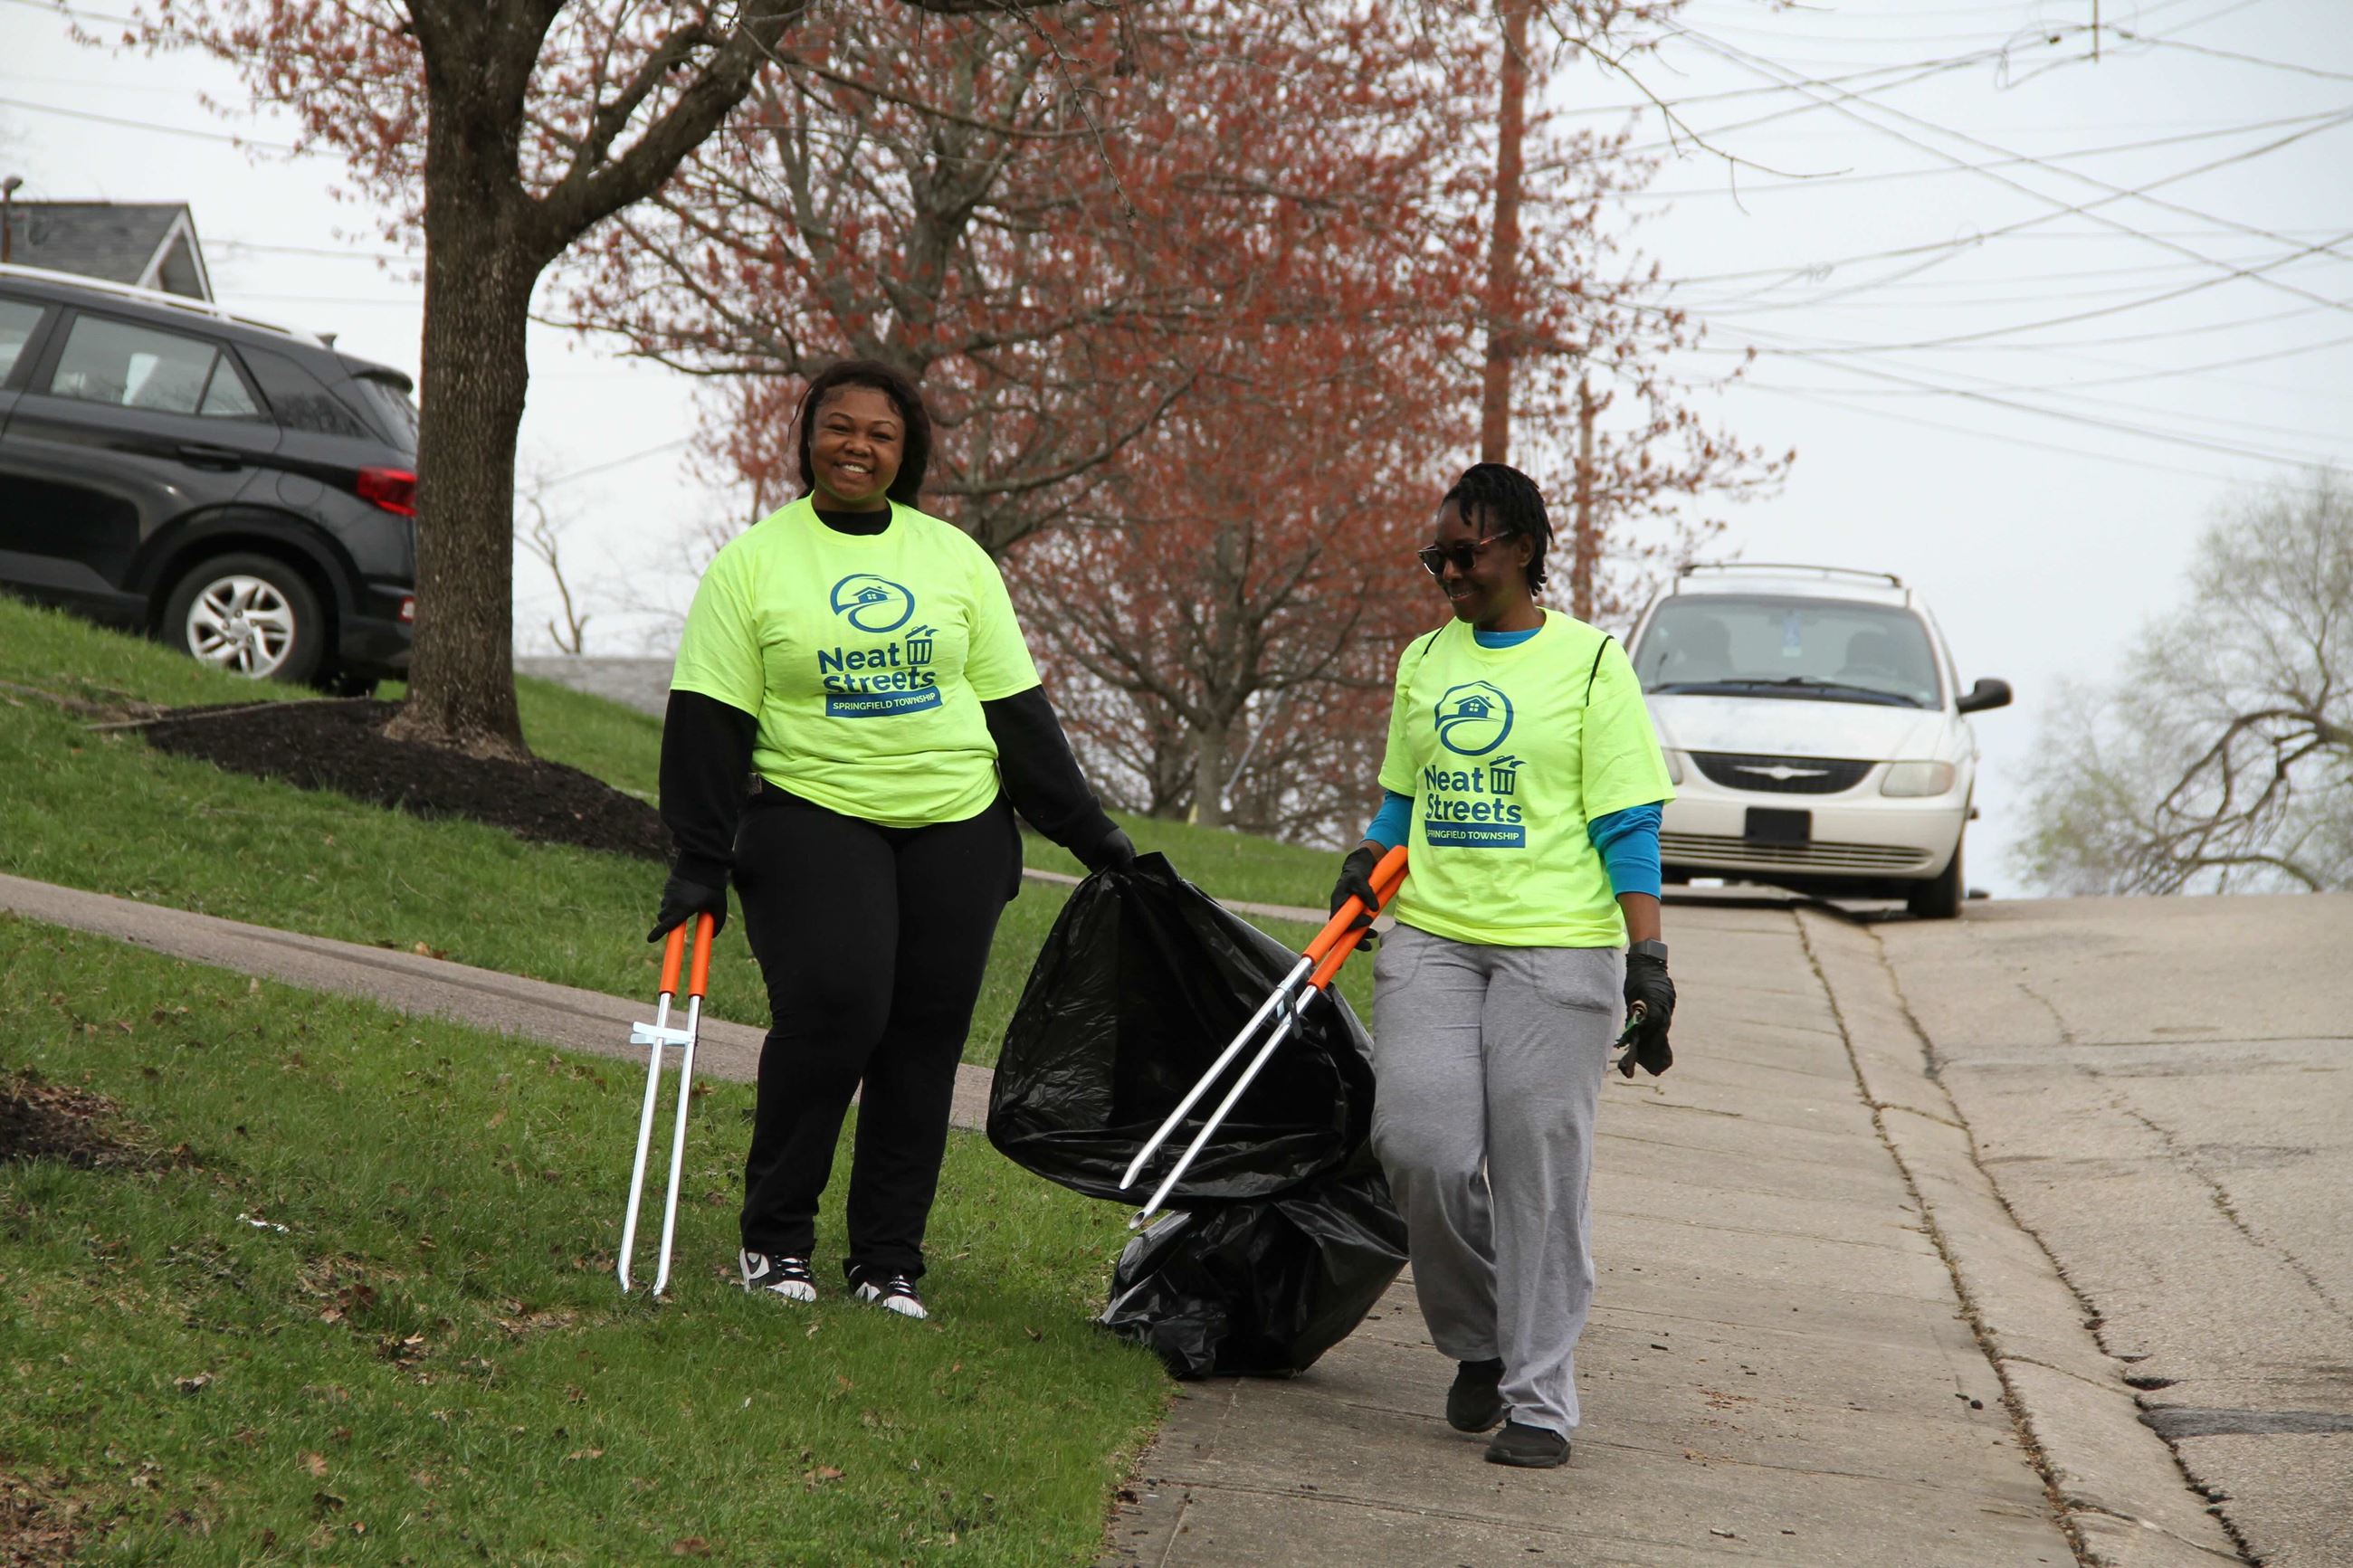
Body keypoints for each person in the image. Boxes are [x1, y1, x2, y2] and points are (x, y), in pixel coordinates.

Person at [652, 359, 1136, 1323]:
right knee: (837, 1007)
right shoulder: (753, 564)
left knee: (922, 1038)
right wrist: (697, 862)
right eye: (839, 427)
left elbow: (1017, 714)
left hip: (957, 819)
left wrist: (1100, 842)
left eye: (879, 433)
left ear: (905, 451)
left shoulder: (954, 559)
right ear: (806, 438)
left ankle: (885, 1260)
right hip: (810, 810)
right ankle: (774, 1236)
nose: (857, 447)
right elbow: (705, 725)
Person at [1329, 461, 1677, 1468]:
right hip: (1433, 934)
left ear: (1520, 548)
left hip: (1557, 947)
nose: (1446, 570)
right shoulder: (1425, 660)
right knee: (1419, 1145)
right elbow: (1404, 803)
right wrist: (1366, 863)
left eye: (1464, 552)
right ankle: (1478, 1337)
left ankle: (1539, 1396)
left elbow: (1625, 820)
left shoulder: (1589, 664)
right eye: (1434, 554)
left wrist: (1645, 957)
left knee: (1535, 1173)